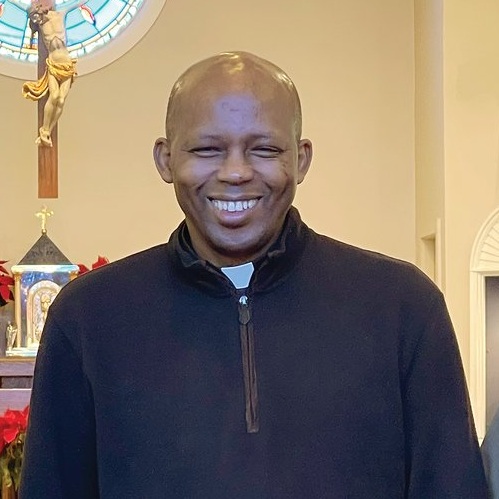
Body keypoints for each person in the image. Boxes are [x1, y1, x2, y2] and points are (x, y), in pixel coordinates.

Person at [19, 51, 488, 498]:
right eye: (207, 149)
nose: (236, 172)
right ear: (165, 159)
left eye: (264, 149)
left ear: (301, 159)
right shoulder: (89, 318)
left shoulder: (402, 307)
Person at [22, 2, 79, 147]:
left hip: (66, 64)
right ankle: (44, 130)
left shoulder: (61, 14)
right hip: (53, 65)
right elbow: (22, 7)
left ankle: (47, 131)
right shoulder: (40, 24)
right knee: (54, 96)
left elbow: (79, 2)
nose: (36, 18)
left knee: (61, 100)